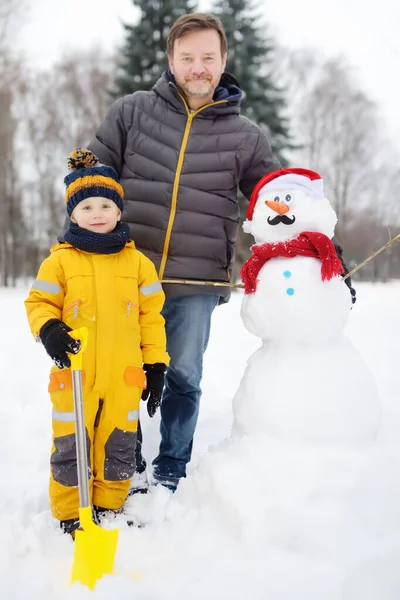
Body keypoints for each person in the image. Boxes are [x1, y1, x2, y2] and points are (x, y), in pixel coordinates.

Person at [84, 12, 282, 492]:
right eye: (188, 57)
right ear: (171, 61)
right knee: (122, 371)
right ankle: (124, 459)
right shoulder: (132, 112)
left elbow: (278, 200)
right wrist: (81, 216)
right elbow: (88, 166)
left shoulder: (245, 137)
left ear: (223, 61)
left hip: (197, 282)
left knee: (185, 375)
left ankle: (172, 463)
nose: (198, 67)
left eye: (207, 58)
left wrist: (320, 242)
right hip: (127, 274)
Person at [25, 148, 169, 535]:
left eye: (106, 204)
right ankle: (72, 510)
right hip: (74, 375)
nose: (98, 213)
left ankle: (109, 502)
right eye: (87, 207)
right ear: (73, 214)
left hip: (123, 375)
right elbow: (39, 303)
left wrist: (155, 364)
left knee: (118, 442)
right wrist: (50, 330)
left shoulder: (138, 264)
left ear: (119, 212)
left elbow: (151, 317)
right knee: (72, 442)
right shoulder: (60, 261)